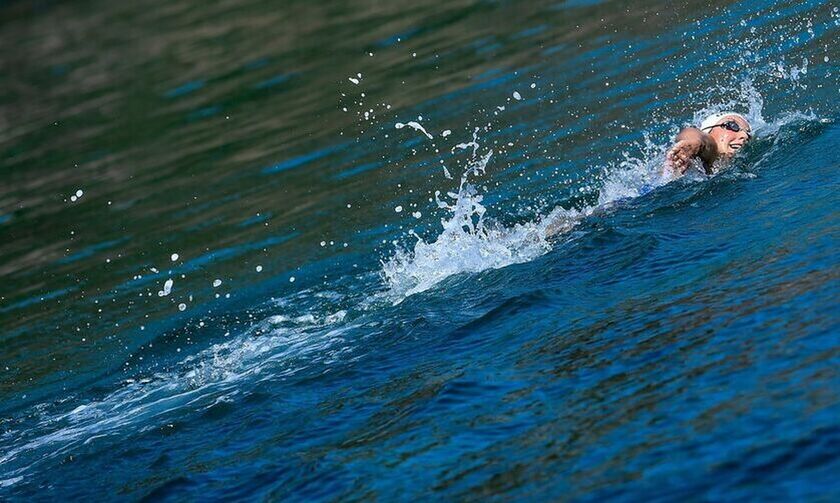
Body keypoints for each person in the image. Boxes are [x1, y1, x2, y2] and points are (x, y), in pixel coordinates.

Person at [665, 112, 752, 176]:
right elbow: (696, 134)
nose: (744, 136)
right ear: (708, 131)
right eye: (733, 125)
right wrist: (693, 142)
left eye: (748, 133)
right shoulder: (706, 146)